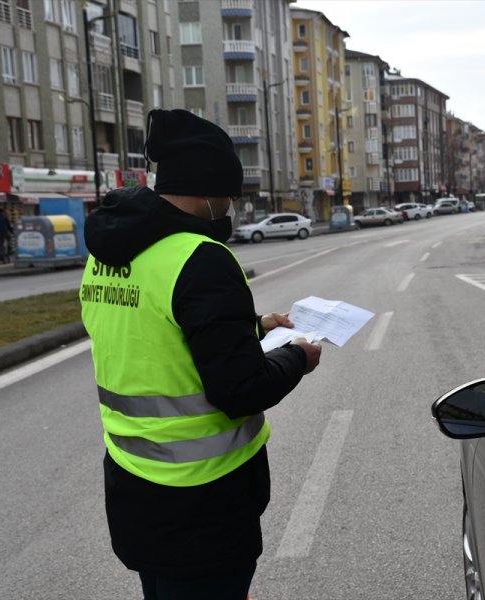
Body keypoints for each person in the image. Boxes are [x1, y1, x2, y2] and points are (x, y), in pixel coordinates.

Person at [79, 108, 321, 600]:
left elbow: (157, 332)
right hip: (203, 502)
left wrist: (254, 326)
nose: (230, 204)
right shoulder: (200, 258)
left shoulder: (109, 254)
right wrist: (298, 356)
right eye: (229, 194)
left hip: (135, 484)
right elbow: (242, 389)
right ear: (209, 189)